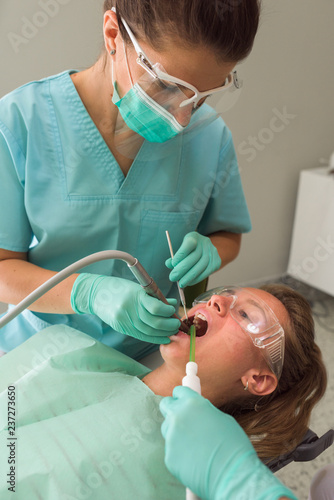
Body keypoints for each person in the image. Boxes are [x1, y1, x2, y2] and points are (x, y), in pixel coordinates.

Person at [0, 0, 259, 358]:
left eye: (202, 98)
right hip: (39, 354)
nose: (183, 120)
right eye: (167, 86)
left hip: (151, 355)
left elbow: (228, 234)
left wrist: (212, 250)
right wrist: (88, 293)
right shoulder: (19, 122)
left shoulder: (210, 138)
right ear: (112, 34)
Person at [0, 283, 326, 499]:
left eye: (245, 314)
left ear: (257, 380)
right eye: (227, 294)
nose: (216, 299)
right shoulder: (72, 350)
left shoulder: (184, 481)